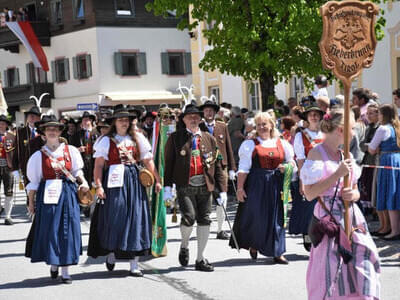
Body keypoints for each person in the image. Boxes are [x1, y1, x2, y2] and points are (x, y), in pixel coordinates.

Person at [301, 108, 380, 299]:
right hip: (330, 219)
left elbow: (355, 192)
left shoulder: (347, 156)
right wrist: (336, 175)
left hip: (352, 219)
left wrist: (352, 194)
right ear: (340, 130)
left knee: (366, 260)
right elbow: (309, 193)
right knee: (332, 269)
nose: (353, 133)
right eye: (352, 128)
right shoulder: (316, 154)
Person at [88, 106, 162, 277]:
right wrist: (98, 186)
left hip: (134, 181)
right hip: (114, 183)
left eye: (126, 119)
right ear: (114, 122)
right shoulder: (106, 141)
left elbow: (148, 161)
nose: (124, 122)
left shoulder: (138, 138)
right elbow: (98, 165)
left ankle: (134, 263)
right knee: (115, 217)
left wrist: (157, 179)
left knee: (136, 218)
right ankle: (112, 252)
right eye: (120, 119)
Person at [25, 115, 89, 284]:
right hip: (48, 196)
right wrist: (31, 203)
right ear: (44, 134)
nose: (52, 131)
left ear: (60, 132)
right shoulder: (38, 156)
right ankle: (54, 263)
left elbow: (77, 172)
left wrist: (84, 184)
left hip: (68, 194)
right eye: (49, 129)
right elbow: (33, 182)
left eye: (56, 129)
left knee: (68, 231)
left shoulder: (72, 151)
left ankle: (66, 270)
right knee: (52, 230)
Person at [164, 104, 227, 272]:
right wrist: (167, 188)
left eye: (196, 117)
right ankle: (184, 245)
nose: (193, 119)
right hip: (185, 185)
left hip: (205, 185)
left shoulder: (209, 138)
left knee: (205, 219)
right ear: (183, 119)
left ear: (200, 119)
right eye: (189, 116)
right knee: (189, 217)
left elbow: (218, 165)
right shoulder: (175, 138)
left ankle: (200, 258)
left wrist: (222, 190)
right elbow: (168, 164)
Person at [231, 112, 295, 264]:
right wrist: (240, 188)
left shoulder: (282, 143)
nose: (261, 127)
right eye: (259, 125)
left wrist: (285, 167)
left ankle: (278, 252)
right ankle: (254, 244)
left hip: (277, 184)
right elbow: (244, 168)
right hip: (256, 184)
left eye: (264, 124)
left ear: (272, 125)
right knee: (257, 217)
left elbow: (292, 162)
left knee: (277, 217)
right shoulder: (250, 144)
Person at [199, 100, 236, 240]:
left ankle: (220, 229)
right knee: (206, 198)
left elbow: (228, 147)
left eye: (211, 110)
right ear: (203, 112)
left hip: (222, 166)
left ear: (215, 112)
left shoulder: (222, 126)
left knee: (223, 198)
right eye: (206, 110)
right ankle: (204, 226)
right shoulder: (199, 126)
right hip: (205, 167)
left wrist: (232, 167)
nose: (209, 113)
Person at [290, 106, 324, 250]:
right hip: (309, 176)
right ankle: (308, 236)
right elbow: (300, 160)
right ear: (307, 118)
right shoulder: (301, 136)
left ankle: (324, 239)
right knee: (309, 210)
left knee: (325, 209)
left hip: (325, 176)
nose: (314, 117)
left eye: (317, 114)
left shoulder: (326, 134)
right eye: (311, 115)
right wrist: (302, 182)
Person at [368, 104, 400, 240]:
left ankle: (394, 230)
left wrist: (372, 147)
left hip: (387, 160)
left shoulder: (383, 128)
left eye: (379, 114)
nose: (378, 116)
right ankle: (391, 228)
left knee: (389, 194)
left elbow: (371, 148)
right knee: (395, 193)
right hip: (397, 159)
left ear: (384, 115)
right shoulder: (397, 127)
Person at [359, 104, 380, 217]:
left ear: (378, 114)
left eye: (371, 113)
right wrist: (369, 146)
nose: (368, 116)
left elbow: (377, 147)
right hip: (367, 161)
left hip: (375, 162)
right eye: (367, 113)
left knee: (374, 188)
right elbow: (361, 145)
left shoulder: (379, 128)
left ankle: (376, 212)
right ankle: (371, 211)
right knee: (367, 187)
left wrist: (369, 147)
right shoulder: (368, 128)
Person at [0, 115, 18, 225]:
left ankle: (7, 216)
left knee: (9, 192)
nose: (1, 125)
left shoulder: (12, 136)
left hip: (8, 166)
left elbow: (16, 153)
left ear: (6, 125)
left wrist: (16, 167)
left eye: (3, 123)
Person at [17, 106, 41, 187]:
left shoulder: (42, 131)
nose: (31, 118)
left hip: (40, 165)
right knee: (29, 190)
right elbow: (17, 150)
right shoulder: (21, 132)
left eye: (34, 116)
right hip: (26, 166)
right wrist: (15, 168)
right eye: (29, 116)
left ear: (39, 118)